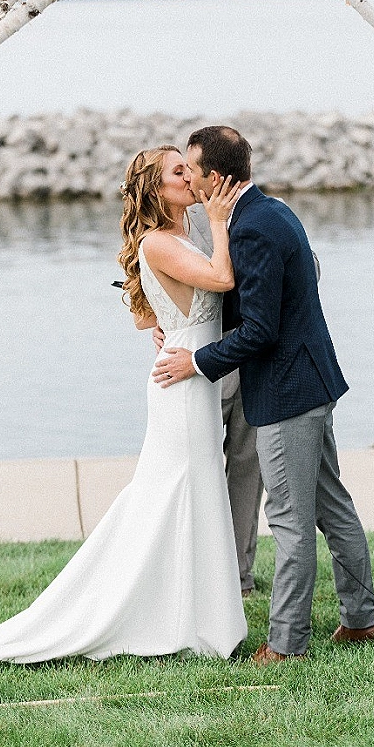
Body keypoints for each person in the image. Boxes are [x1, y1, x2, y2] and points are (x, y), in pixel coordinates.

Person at [0, 145, 247, 677]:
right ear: (156, 190)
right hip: (182, 387)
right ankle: (173, 618)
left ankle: (194, 616)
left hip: (191, 373)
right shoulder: (159, 241)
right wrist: (219, 219)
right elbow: (222, 281)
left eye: (188, 168)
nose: (190, 177)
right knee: (175, 491)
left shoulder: (178, 237)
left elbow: (147, 315)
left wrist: (169, 326)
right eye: (177, 172)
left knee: (189, 490)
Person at [153, 126, 374, 665]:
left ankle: (286, 644)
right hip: (310, 383)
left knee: (290, 521)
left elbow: (260, 331)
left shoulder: (252, 228)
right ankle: (362, 620)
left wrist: (196, 361)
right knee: (332, 506)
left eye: (193, 170)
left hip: (287, 393)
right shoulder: (269, 210)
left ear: (215, 178)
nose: (189, 179)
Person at [153, 203, 264, 598]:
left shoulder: (264, 212)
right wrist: (161, 324)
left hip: (251, 357)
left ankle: (237, 578)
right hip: (189, 363)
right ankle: (180, 571)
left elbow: (306, 268)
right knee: (187, 466)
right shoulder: (171, 222)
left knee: (247, 467)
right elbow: (143, 283)